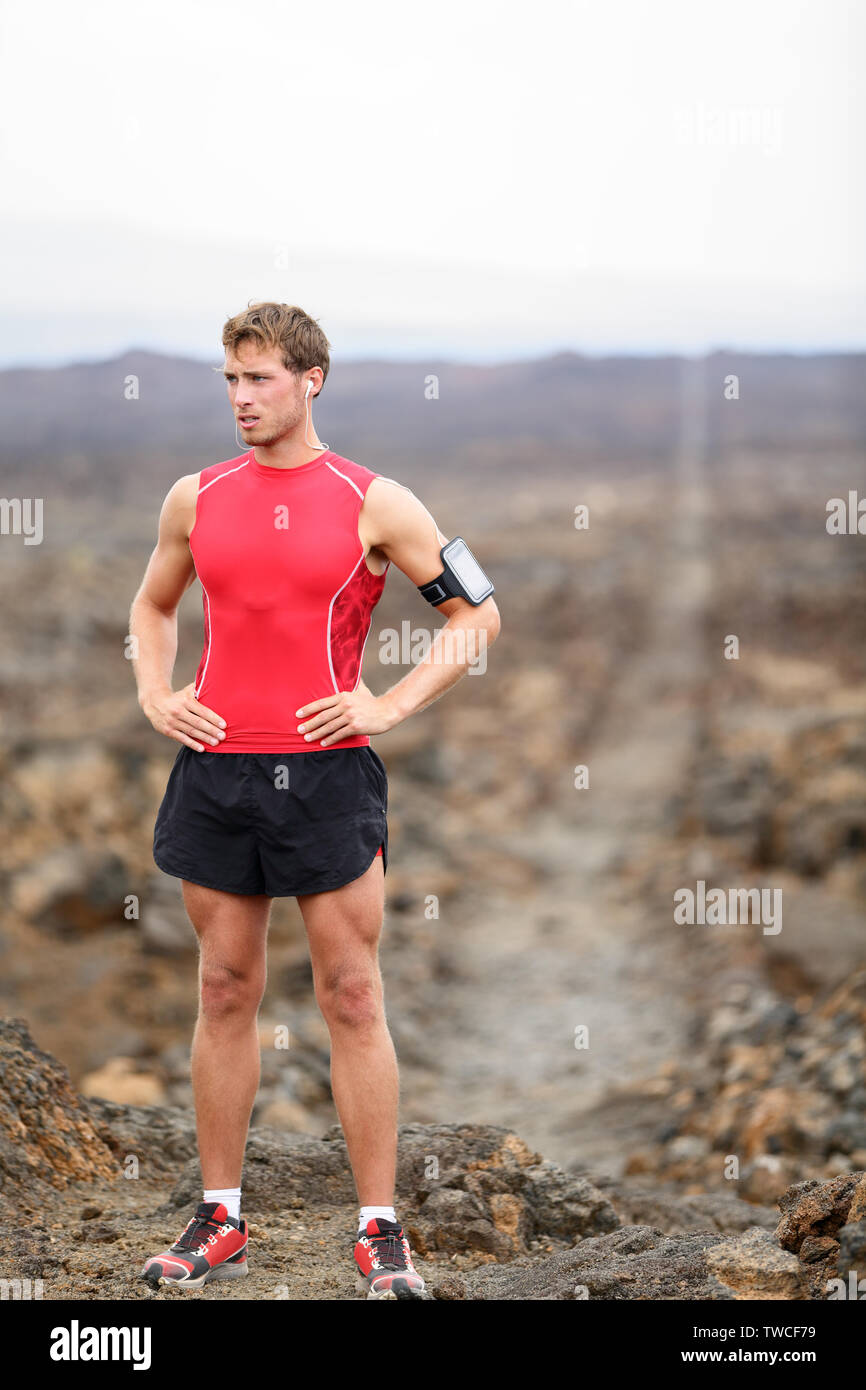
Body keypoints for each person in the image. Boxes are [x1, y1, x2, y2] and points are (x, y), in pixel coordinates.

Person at [128, 301, 500, 1299]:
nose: (241, 399)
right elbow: (153, 605)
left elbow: (477, 614)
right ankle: (220, 1219)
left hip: (326, 775)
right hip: (215, 772)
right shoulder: (194, 496)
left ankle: (379, 1232)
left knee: (350, 995)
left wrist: (388, 702)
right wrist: (156, 692)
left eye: (259, 379)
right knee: (222, 990)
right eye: (230, 381)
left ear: (310, 380)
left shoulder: (376, 500)